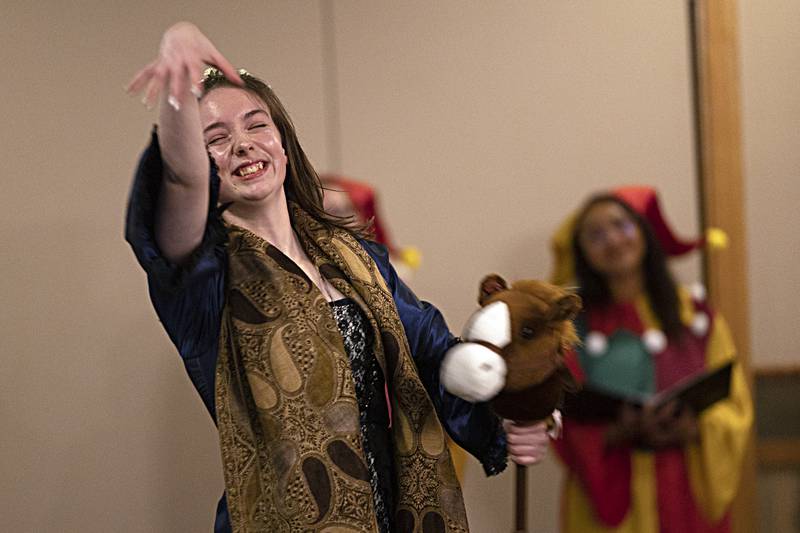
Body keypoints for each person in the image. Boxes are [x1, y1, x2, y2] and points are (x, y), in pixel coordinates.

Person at [125, 22, 549, 533]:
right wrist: (180, 61)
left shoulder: (357, 257)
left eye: (256, 125)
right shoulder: (202, 279)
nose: (241, 144)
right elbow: (180, 176)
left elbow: (437, 357)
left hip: (393, 513)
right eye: (214, 137)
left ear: (282, 140)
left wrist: (514, 413)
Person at [549, 186, 753, 533]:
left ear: (643, 231)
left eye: (621, 226)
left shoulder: (697, 318)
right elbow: (555, 417)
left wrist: (696, 428)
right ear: (583, 252)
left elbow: (735, 404)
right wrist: (615, 431)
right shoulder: (570, 330)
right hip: (609, 500)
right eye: (596, 235)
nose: (613, 240)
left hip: (685, 489)